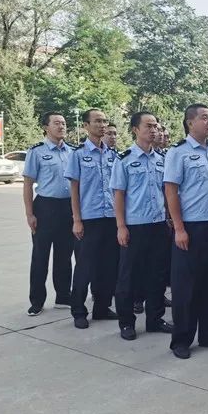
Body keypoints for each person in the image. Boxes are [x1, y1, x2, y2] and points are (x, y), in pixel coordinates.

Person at [163, 103, 208, 359]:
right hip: (192, 228)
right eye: (204, 118)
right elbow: (171, 190)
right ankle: (181, 339)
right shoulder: (178, 153)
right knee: (186, 287)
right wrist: (179, 228)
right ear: (190, 122)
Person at [111, 111, 173, 340]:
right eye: (148, 126)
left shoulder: (161, 159)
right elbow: (119, 194)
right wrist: (121, 226)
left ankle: (155, 319)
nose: (153, 130)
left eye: (156, 125)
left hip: (158, 224)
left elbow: (166, 193)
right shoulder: (125, 159)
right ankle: (126, 322)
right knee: (129, 276)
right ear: (135, 129)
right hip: (134, 225)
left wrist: (169, 218)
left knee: (157, 275)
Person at [65, 109, 119, 329]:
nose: (102, 125)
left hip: (111, 218)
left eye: (105, 121)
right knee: (85, 267)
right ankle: (78, 310)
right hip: (89, 219)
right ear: (86, 126)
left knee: (108, 267)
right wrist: (77, 220)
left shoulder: (114, 155)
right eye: (97, 121)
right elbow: (74, 190)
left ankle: (102, 307)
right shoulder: (78, 155)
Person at [23, 112, 75, 316]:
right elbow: (28, 185)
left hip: (68, 208)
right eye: (56, 123)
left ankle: (63, 296)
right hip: (45, 208)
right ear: (46, 127)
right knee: (40, 256)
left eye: (63, 123)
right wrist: (30, 214)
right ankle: (37, 300)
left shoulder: (72, 152)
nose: (61, 126)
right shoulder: (37, 152)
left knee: (65, 254)